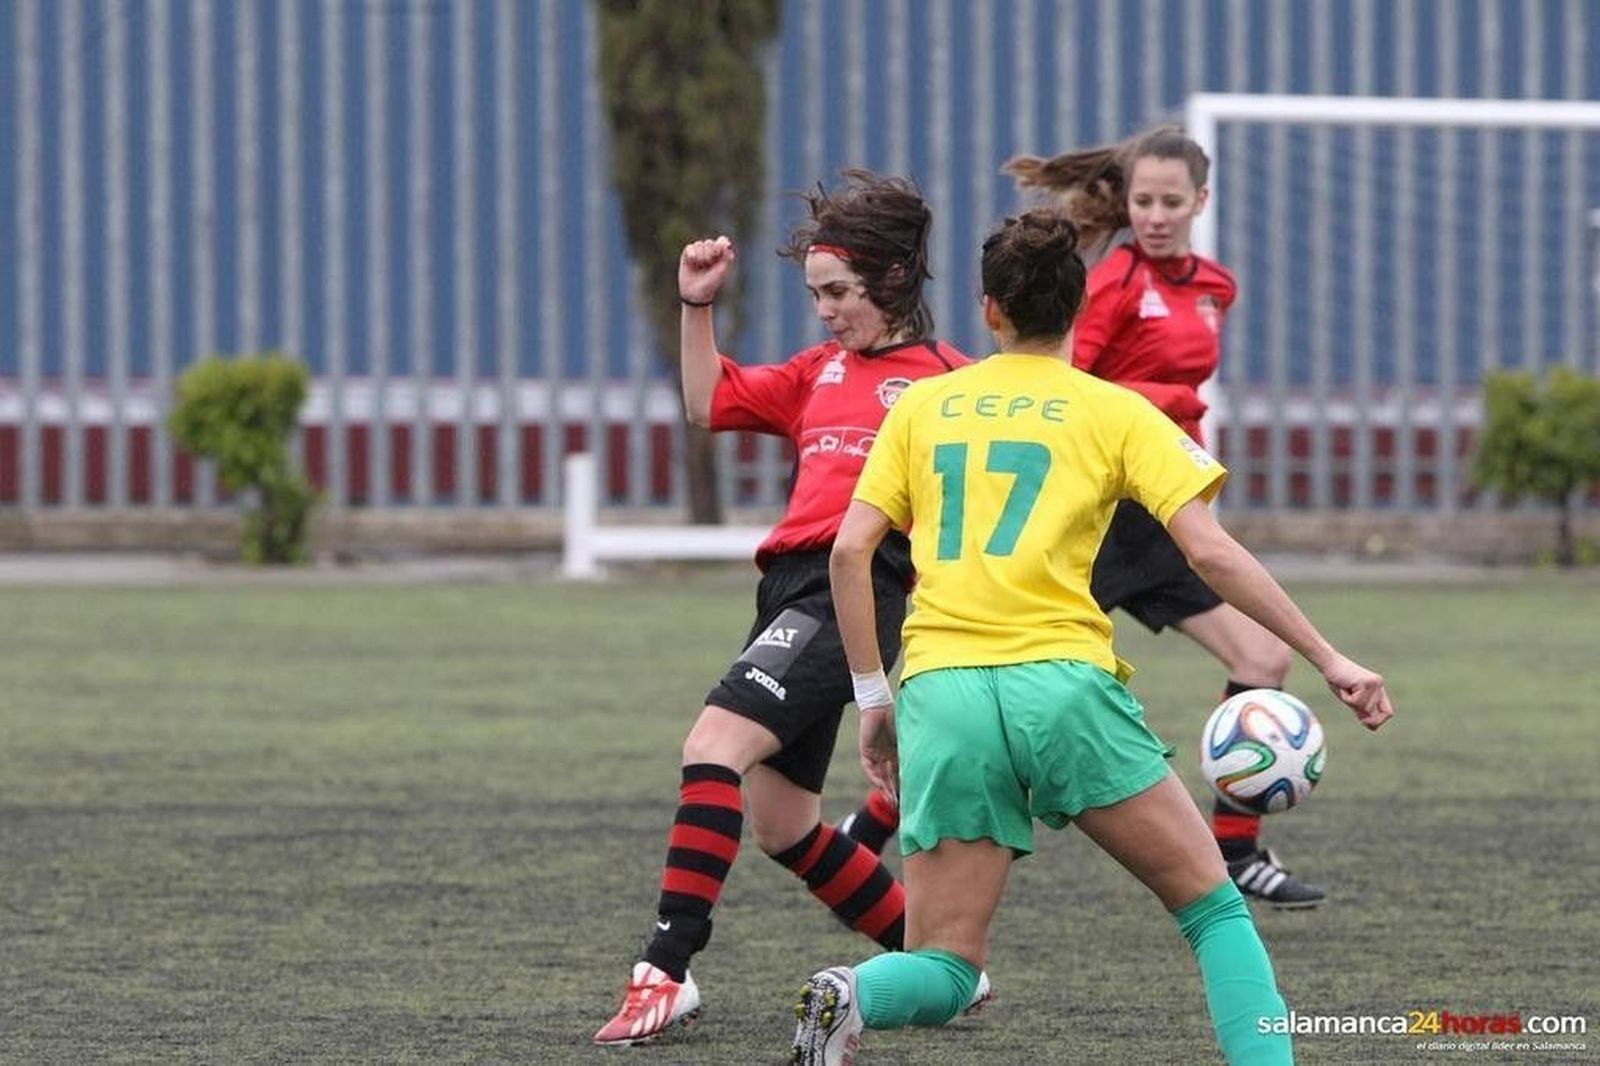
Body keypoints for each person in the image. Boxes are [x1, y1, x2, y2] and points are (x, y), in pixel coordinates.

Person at [790, 209, 1393, 1065]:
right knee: (1213, 909)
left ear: (987, 309)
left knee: (946, 966)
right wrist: (1329, 658)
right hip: (1061, 689)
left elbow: (851, 550)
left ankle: (854, 993)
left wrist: (873, 699)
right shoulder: (1115, 412)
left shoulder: (923, 406)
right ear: (1077, 310)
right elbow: (1211, 552)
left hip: (942, 691)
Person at [840, 125, 1319, 907]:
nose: (1156, 215)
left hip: (1152, 523)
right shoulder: (1118, 281)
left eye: (1171, 201)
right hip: (1089, 517)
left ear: (1201, 202)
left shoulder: (1214, 287)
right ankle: (878, 819)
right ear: (1126, 206)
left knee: (1262, 663)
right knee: (1013, 673)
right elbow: (1061, 384)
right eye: (1143, 202)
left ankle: (1238, 853)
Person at [592, 170, 975, 1047]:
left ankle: (665, 970)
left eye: (837, 292)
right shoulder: (819, 370)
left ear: (892, 279)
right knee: (785, 825)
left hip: (858, 590)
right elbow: (708, 400)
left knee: (710, 748)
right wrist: (697, 306)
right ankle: (941, 960)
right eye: (814, 294)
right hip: (787, 595)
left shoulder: (952, 384)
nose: (824, 311)